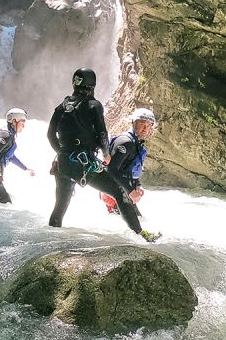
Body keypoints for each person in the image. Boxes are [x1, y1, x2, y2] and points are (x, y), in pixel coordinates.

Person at [47, 68, 159, 242]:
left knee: (60, 205)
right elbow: (101, 134)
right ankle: (142, 235)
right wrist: (106, 154)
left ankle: (50, 238)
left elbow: (50, 135)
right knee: (118, 191)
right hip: (84, 163)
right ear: (93, 84)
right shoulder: (94, 105)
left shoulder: (61, 106)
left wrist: (62, 153)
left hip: (62, 163)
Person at [101, 108, 156, 214]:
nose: (145, 128)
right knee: (135, 225)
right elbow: (112, 169)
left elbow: (127, 167)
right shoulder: (126, 142)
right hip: (115, 191)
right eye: (142, 124)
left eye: (149, 125)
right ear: (134, 122)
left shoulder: (135, 143)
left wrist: (137, 184)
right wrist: (130, 191)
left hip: (122, 189)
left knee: (131, 224)